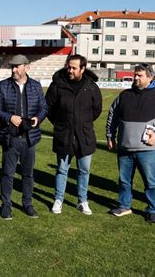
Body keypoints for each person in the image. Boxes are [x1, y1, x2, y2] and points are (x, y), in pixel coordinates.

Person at [106, 63, 155, 224]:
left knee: (150, 182)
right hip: (125, 147)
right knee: (124, 180)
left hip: (147, 149)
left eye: (140, 75)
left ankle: (152, 209)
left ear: (150, 77)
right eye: (135, 75)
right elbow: (112, 115)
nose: (136, 78)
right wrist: (110, 136)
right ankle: (124, 206)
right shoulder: (124, 95)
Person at [0, 54, 48, 219]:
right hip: (10, 137)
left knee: (28, 174)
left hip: (30, 138)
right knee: (8, 174)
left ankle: (27, 204)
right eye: (12, 67)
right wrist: (10, 117)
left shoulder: (36, 86)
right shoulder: (2, 86)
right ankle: (6, 205)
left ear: (26, 67)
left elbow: (44, 108)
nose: (14, 70)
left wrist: (38, 117)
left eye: (17, 66)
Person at [45, 55, 102, 215]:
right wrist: (61, 124)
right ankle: (58, 199)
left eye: (74, 68)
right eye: (68, 67)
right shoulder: (57, 85)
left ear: (82, 69)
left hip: (85, 136)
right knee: (62, 170)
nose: (70, 70)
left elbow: (96, 110)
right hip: (64, 135)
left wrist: (83, 124)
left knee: (84, 171)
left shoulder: (91, 87)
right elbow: (48, 108)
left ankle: (82, 200)